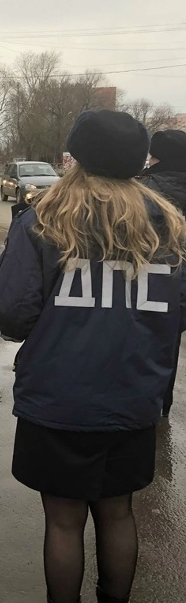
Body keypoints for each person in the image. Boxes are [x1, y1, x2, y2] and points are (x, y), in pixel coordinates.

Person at [0, 110, 186, 603]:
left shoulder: (46, 218)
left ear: (78, 157)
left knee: (64, 521)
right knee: (118, 513)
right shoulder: (169, 226)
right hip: (134, 398)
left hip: (59, 398)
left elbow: (11, 309)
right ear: (138, 160)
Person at [138, 129, 186, 417]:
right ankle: (161, 407)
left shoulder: (143, 191)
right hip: (177, 293)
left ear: (156, 158)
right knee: (169, 344)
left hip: (145, 285)